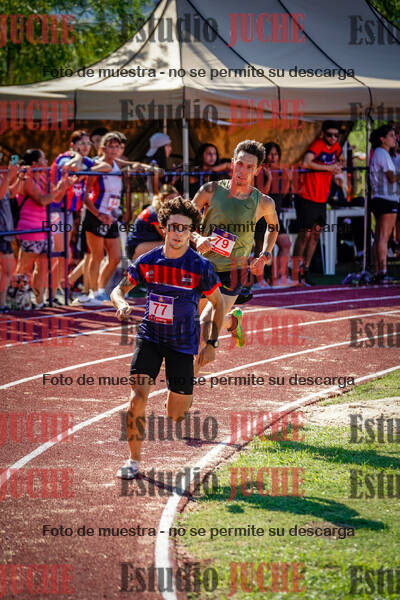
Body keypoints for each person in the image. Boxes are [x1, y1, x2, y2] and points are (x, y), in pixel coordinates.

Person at [110, 196, 224, 478]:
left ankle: (187, 381)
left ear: (191, 231)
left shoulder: (199, 266)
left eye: (184, 228)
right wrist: (121, 304)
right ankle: (133, 461)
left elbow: (218, 303)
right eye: (173, 226)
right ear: (164, 228)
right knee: (137, 398)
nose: (177, 233)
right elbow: (118, 290)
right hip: (150, 336)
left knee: (176, 415)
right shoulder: (148, 261)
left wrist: (211, 343)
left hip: (182, 343)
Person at [191, 139, 279, 356]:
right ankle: (232, 322)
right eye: (239, 164)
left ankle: (187, 376)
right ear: (232, 163)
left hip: (233, 271)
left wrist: (265, 254)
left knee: (204, 325)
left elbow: (273, 227)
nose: (242, 171)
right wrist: (197, 238)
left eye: (249, 167)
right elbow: (185, 222)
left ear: (257, 170)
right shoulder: (210, 190)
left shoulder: (264, 202)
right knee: (198, 317)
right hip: (204, 266)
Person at [16, 149, 74, 308]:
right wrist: (58, 189)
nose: (47, 162)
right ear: (35, 163)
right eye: (43, 159)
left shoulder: (42, 178)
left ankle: (39, 300)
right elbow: (42, 200)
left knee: (44, 267)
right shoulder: (26, 179)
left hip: (45, 230)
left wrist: (64, 187)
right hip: (29, 230)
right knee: (25, 269)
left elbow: (55, 198)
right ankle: (19, 300)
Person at [293, 120, 343, 285]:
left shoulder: (336, 147)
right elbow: (306, 162)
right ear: (323, 134)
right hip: (306, 196)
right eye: (329, 135)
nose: (333, 138)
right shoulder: (318, 144)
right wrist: (329, 168)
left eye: (336, 135)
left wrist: (338, 166)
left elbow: (341, 158)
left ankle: (306, 270)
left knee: (316, 235)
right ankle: (295, 270)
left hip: (321, 198)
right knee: (305, 234)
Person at [50, 130, 95, 303]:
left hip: (68, 212)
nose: (86, 146)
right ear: (72, 145)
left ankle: (51, 294)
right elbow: (71, 167)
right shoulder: (65, 158)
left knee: (65, 256)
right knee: (59, 254)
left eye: (88, 143)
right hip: (56, 210)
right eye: (82, 143)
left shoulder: (85, 160)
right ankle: (44, 294)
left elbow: (104, 165)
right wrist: (77, 157)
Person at [82, 132, 124, 303]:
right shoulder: (97, 166)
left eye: (117, 147)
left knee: (115, 257)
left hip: (112, 217)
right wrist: (99, 214)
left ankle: (100, 289)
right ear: (103, 148)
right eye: (111, 146)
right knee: (97, 256)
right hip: (96, 216)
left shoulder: (118, 166)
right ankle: (92, 293)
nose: (114, 150)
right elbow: (85, 195)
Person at [254, 142, 291, 288]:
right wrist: (269, 179)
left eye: (276, 154)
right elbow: (262, 196)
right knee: (261, 248)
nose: (273, 157)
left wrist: (287, 178)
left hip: (275, 216)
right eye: (270, 154)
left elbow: (284, 194)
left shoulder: (280, 172)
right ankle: (258, 280)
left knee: (285, 244)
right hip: (262, 216)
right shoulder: (259, 172)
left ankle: (279, 278)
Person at [369, 124, 400, 282]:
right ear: (382, 139)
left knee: (380, 236)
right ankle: (382, 270)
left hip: (382, 198)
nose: (395, 139)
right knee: (383, 237)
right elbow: (392, 178)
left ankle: (378, 270)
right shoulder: (382, 153)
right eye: (391, 136)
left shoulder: (381, 153)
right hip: (387, 198)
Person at [126, 184, 179, 260]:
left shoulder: (164, 211)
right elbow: (166, 235)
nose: (174, 202)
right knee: (171, 244)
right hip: (135, 248)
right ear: (162, 198)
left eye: (176, 199)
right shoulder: (154, 212)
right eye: (171, 199)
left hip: (147, 244)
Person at [0, 162, 18, 312]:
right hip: (1, 231)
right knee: (7, 268)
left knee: (7, 270)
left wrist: (21, 178)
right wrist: (8, 177)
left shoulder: (1, 178)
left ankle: (2, 303)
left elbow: (11, 193)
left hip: (5, 230)